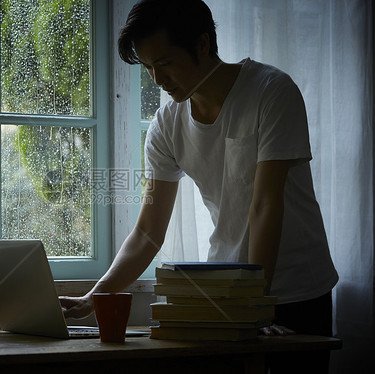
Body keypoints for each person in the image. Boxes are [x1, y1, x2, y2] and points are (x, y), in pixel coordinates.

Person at [60, 0, 338, 371]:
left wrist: (256, 306)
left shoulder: (272, 91)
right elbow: (147, 232)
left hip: (296, 291)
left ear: (203, 45)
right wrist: (94, 297)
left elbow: (265, 205)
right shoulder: (166, 125)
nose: (157, 79)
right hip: (226, 295)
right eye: (147, 67)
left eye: (165, 62)